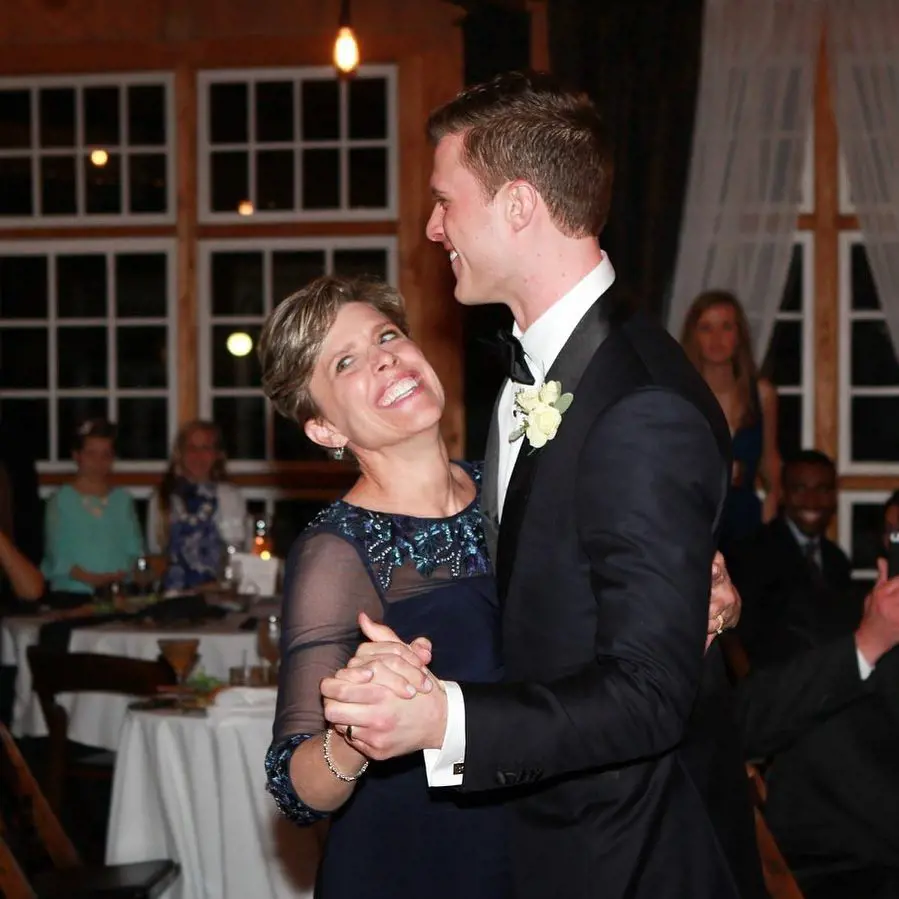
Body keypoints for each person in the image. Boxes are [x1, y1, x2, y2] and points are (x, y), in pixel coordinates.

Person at [319, 72, 764, 899]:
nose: (431, 226)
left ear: (517, 204)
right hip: (545, 834)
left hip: (629, 851)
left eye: (445, 201)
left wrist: (443, 720)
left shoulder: (643, 403)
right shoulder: (531, 374)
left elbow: (645, 695)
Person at [260, 276, 741, 899]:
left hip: (552, 844)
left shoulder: (517, 483)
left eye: (387, 335)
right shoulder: (336, 552)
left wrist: (711, 609)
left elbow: (619, 651)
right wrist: (355, 734)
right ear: (325, 429)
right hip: (420, 864)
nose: (385, 357)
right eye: (346, 362)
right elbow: (294, 784)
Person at [732, 489, 899, 899]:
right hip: (844, 870)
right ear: (885, 544)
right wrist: (865, 645)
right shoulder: (819, 618)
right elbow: (744, 724)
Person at [727, 450, 859, 660]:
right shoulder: (753, 552)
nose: (812, 500)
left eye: (822, 489)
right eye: (800, 489)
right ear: (783, 493)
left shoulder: (837, 560)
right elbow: (734, 638)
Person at [680, 290, 781, 552]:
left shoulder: (762, 394)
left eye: (726, 327)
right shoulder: (678, 394)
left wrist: (769, 517)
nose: (716, 339)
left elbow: (770, 464)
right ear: (693, 336)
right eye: (706, 328)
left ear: (739, 336)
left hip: (747, 526)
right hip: (691, 523)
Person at [41, 419, 143, 607]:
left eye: (106, 455)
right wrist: (92, 578)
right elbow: (58, 555)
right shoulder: (61, 500)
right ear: (77, 456)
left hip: (117, 594)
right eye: (91, 454)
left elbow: (134, 549)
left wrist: (122, 575)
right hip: (73, 594)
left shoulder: (123, 500)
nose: (99, 462)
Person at [147, 420, 246, 592]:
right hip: (173, 597)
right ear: (180, 453)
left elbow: (238, 553)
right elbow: (155, 554)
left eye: (206, 448)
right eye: (192, 448)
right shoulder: (161, 498)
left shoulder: (230, 496)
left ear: (217, 454)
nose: (198, 456)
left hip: (220, 595)